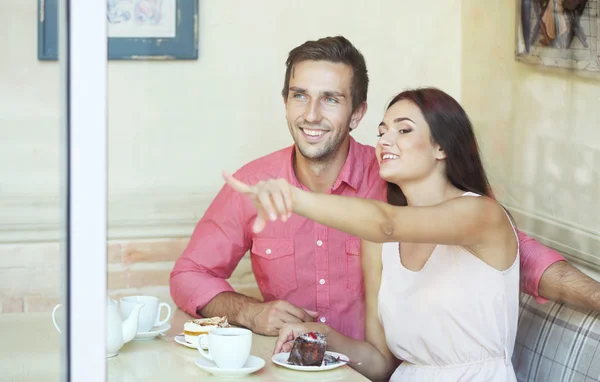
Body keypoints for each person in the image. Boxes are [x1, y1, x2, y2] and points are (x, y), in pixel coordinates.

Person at [169, 36, 600, 341]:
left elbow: (512, 254)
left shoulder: (396, 182)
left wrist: (594, 295)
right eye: (300, 96)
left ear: (357, 113)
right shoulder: (252, 183)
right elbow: (188, 275)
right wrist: (251, 313)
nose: (312, 114)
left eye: (331, 99)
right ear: (285, 103)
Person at [225, 86, 522, 380]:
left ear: (441, 147)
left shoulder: (483, 214)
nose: (385, 142)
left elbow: (387, 223)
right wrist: (324, 335)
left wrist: (293, 196)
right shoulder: (378, 243)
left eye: (403, 131)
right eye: (382, 133)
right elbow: (379, 364)